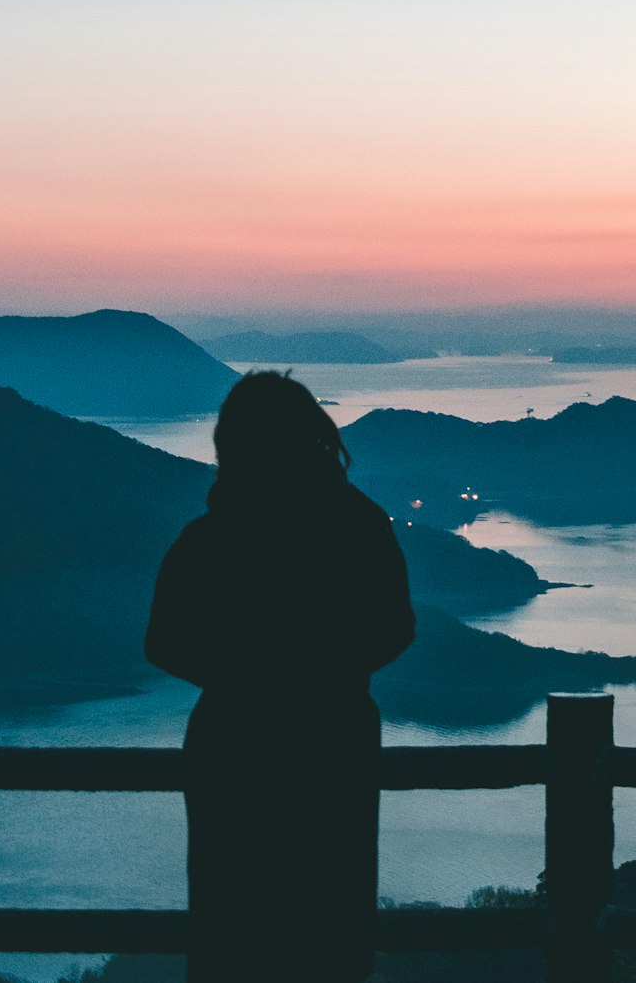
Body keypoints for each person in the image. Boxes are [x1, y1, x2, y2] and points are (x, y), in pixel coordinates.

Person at [144, 369, 418, 980]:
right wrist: (326, 674)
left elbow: (163, 642)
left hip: (232, 744)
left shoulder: (211, 536)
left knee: (231, 926)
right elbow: (396, 628)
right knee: (331, 926)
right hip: (335, 742)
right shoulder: (358, 525)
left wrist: (244, 679)